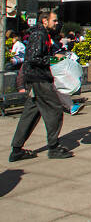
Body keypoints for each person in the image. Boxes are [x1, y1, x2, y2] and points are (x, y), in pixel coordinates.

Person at [9, 11, 73, 162]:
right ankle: (54, 147)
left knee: (31, 113)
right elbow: (33, 57)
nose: (56, 23)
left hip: (35, 78)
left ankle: (16, 149)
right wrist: (52, 58)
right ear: (45, 20)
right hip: (39, 79)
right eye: (54, 20)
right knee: (55, 110)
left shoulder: (40, 34)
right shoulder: (40, 34)